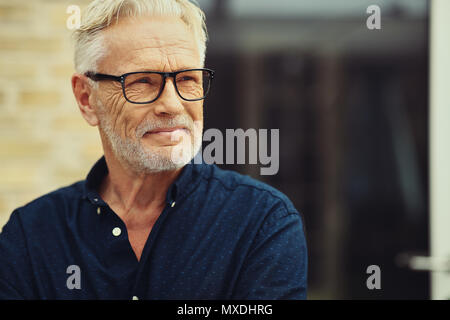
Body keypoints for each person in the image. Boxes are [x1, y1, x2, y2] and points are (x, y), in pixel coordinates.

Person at [0, 0, 307, 300]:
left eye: (187, 79)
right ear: (86, 98)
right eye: (142, 81)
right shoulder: (31, 237)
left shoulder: (261, 224)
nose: (172, 105)